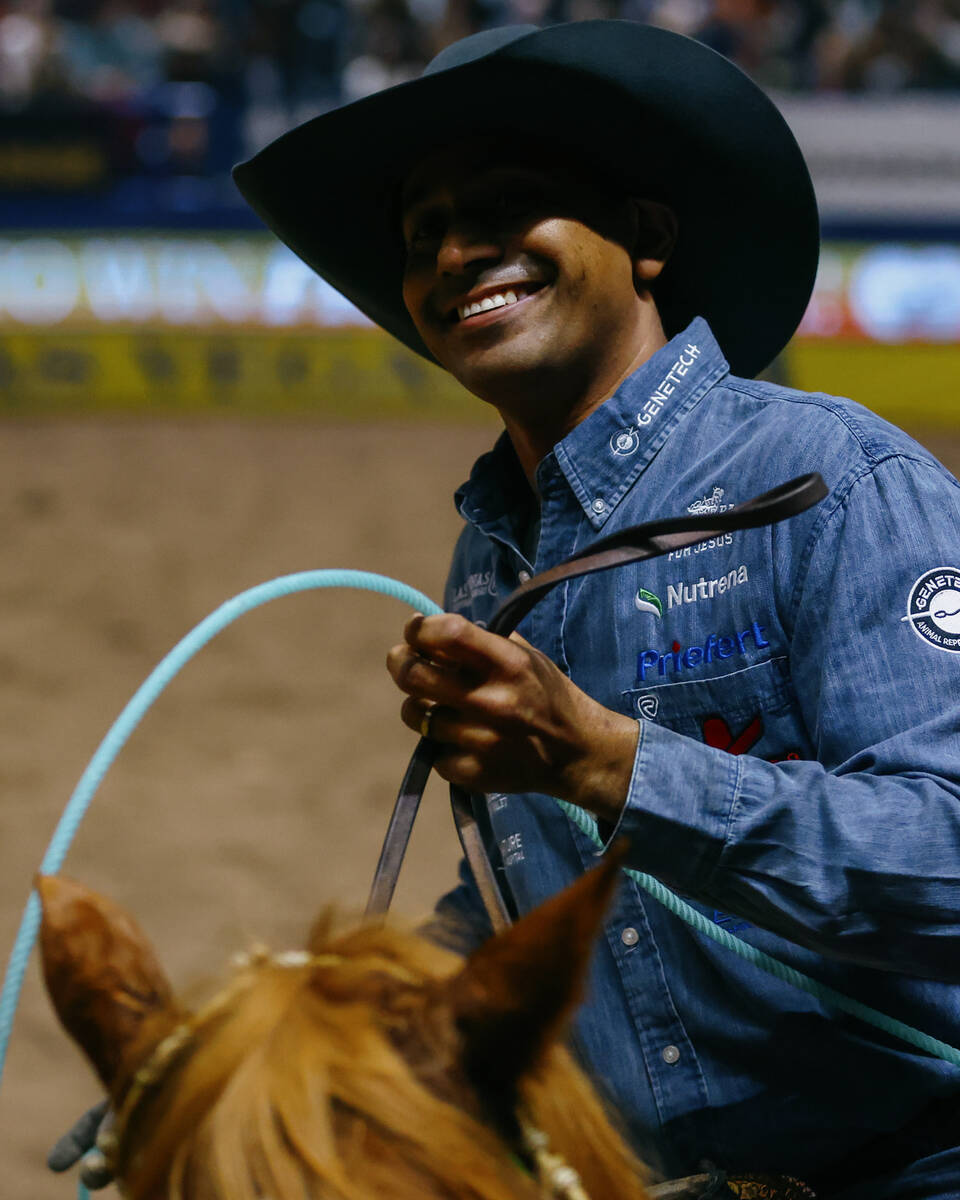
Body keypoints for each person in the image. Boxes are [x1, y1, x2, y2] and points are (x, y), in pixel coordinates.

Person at [53, 19, 960, 1200]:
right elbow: (532, 891)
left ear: (646, 240)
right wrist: (258, 1066)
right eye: (424, 233)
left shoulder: (836, 481)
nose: (455, 253)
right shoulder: (492, 558)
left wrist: (612, 764)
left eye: (507, 206)